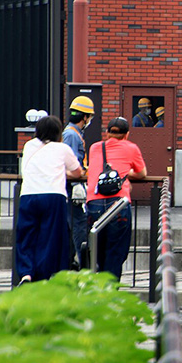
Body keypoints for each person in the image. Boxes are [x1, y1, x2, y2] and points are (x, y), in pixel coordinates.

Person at [16, 115, 83, 285]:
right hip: (53, 195)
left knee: (26, 235)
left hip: (28, 194)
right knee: (49, 237)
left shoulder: (29, 145)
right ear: (58, 132)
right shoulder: (62, 148)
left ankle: (26, 273)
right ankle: (43, 277)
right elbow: (78, 172)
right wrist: (62, 172)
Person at [85, 117, 147, 280]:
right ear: (127, 134)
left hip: (94, 202)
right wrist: (126, 175)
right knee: (116, 250)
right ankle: (110, 291)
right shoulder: (131, 148)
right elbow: (142, 173)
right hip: (118, 204)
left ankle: (96, 287)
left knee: (97, 249)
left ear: (107, 133)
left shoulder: (95, 148)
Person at [62, 96, 95, 268]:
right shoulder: (71, 135)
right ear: (85, 117)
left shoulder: (73, 133)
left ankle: (69, 264)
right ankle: (84, 265)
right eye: (89, 116)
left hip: (74, 186)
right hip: (72, 187)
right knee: (78, 225)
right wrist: (76, 185)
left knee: (73, 226)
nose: (89, 120)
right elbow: (71, 162)